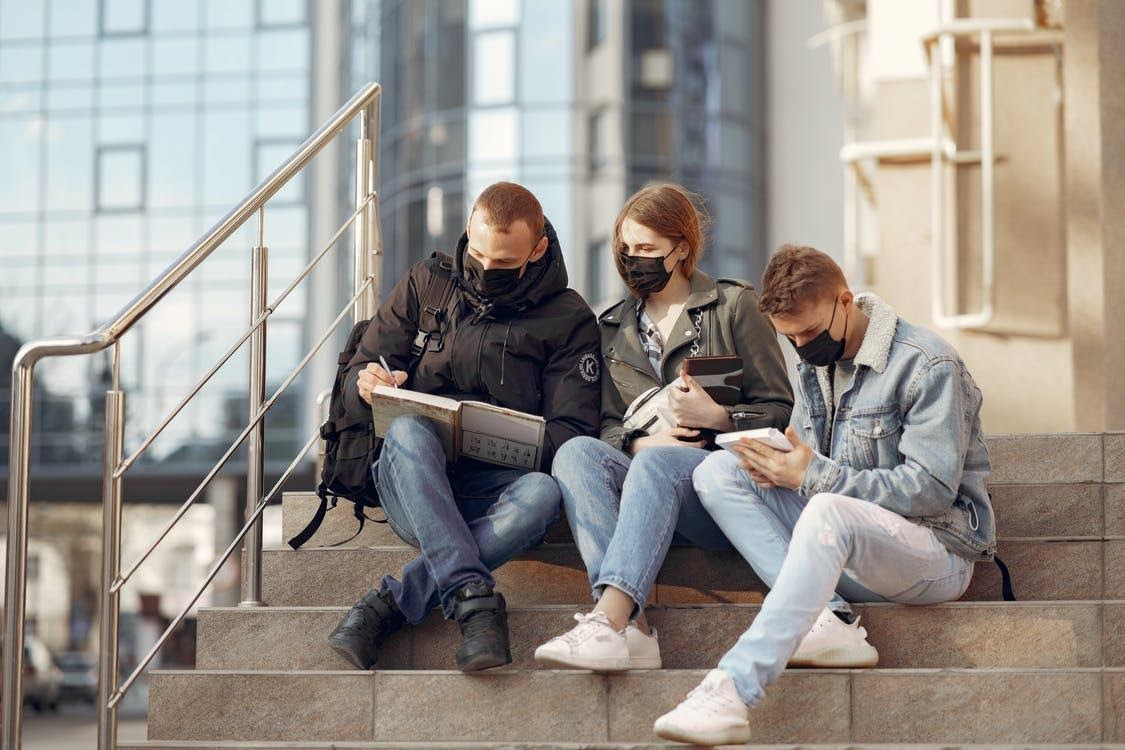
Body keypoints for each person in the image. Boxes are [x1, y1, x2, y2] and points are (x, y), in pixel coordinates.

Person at [652, 244, 996, 745]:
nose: (802, 348)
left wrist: (812, 475)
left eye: (810, 333)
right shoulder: (815, 367)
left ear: (845, 300)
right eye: (790, 339)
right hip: (842, 546)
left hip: (935, 554)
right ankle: (827, 619)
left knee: (829, 506)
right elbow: (809, 466)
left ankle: (730, 691)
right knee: (717, 473)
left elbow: (931, 492)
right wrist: (776, 465)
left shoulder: (927, 364)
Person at [327, 182, 601, 672]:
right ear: (467, 231)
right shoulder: (425, 282)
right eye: (477, 254)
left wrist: (491, 432)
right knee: (410, 430)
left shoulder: (569, 319)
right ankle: (473, 601)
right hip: (411, 479)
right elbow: (353, 379)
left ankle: (390, 604)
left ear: (537, 250)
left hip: (494, 485)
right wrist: (366, 385)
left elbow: (572, 434)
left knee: (542, 493)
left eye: (503, 262)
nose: (485, 270)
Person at [533, 183, 793, 671]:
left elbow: (779, 407)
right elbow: (604, 424)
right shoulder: (608, 328)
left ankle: (609, 621)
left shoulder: (734, 307)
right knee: (575, 453)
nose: (633, 259)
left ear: (681, 249)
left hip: (712, 495)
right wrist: (637, 441)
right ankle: (633, 628)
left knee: (659, 462)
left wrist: (719, 419)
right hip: (641, 487)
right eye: (626, 249)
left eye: (647, 249)